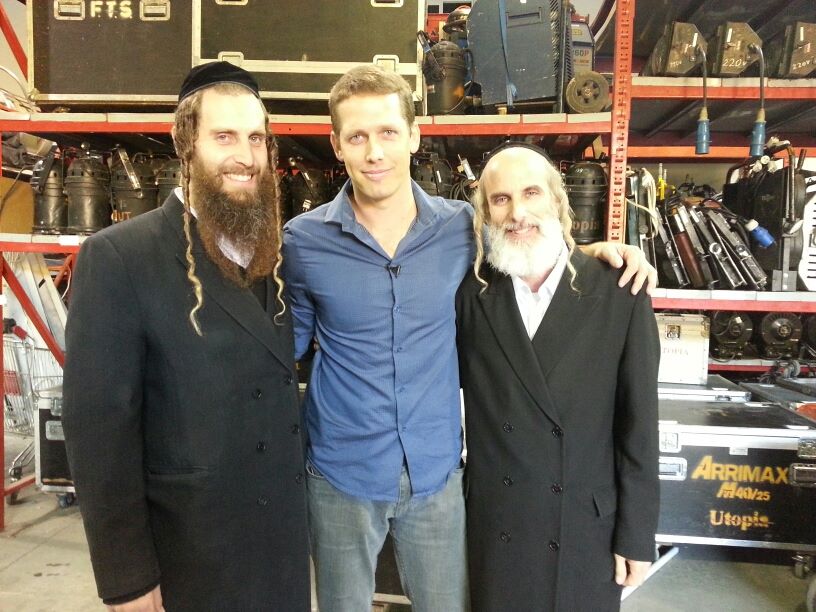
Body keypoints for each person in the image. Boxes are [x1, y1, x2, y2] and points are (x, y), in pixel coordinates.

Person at [282, 64, 657, 612]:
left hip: (436, 477)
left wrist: (594, 254)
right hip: (342, 471)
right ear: (337, 145)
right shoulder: (303, 241)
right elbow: (285, 347)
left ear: (414, 136)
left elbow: (527, 235)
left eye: (388, 132)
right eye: (357, 137)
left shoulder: (459, 227)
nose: (375, 152)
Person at [62, 62, 310, 611]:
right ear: (185, 145)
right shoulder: (120, 258)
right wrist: (127, 578)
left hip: (279, 550)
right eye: (224, 137)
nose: (245, 157)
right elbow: (98, 432)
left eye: (256, 138)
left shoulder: (277, 255)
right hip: (191, 555)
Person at [456, 144, 661, 612]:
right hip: (497, 524)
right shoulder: (471, 294)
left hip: (585, 529)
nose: (517, 213)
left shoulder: (619, 290)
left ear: (557, 199)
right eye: (501, 199)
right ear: (485, 213)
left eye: (531, 193)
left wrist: (637, 534)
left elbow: (639, 425)